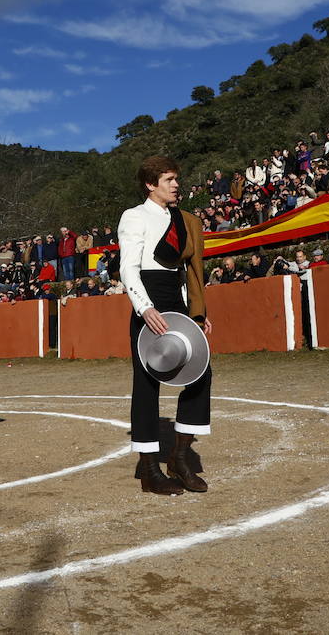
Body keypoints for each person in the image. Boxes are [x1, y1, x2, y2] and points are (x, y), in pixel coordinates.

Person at [117, 155, 213, 496]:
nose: (176, 185)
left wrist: (197, 313)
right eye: (169, 179)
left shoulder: (184, 219)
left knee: (200, 374)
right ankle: (148, 470)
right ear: (151, 184)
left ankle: (180, 458)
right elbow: (128, 269)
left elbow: (186, 274)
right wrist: (145, 308)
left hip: (176, 301)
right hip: (149, 303)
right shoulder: (134, 216)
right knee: (146, 385)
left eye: (176, 179)